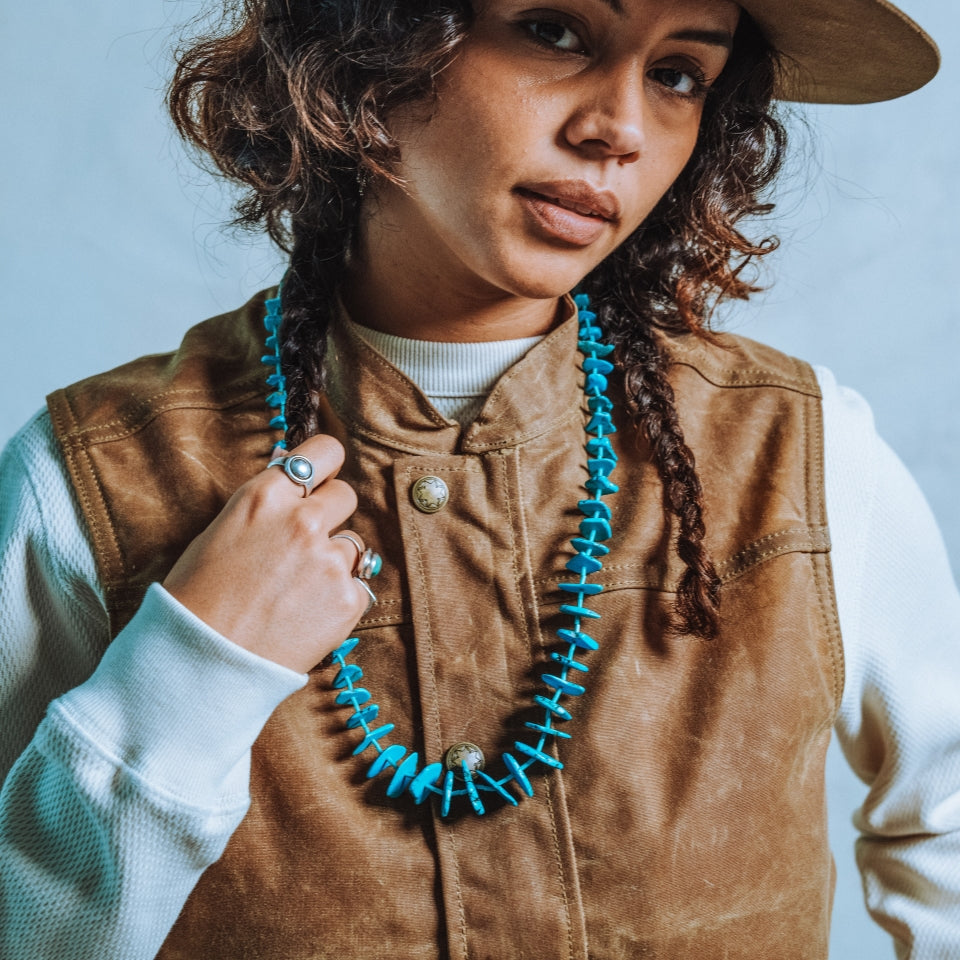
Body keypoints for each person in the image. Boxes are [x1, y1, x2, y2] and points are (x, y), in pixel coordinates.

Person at [0, 0, 957, 957]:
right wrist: (193, 669)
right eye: (554, 30)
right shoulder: (85, 477)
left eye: (677, 75)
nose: (617, 129)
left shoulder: (805, 451)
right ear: (371, 48)